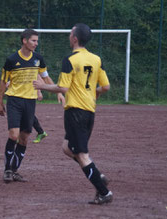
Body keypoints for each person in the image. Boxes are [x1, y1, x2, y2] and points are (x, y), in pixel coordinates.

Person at [33, 23, 113, 205]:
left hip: (76, 111)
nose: (69, 36)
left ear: (75, 38)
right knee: (67, 148)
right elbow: (106, 86)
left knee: (82, 154)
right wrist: (95, 92)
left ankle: (103, 192)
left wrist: (42, 86)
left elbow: (62, 87)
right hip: (89, 110)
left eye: (70, 33)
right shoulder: (96, 59)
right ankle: (97, 175)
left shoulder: (70, 59)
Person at [0, 29, 57, 183]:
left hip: (30, 102)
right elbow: (4, 81)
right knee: (14, 135)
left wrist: (58, 92)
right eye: (34, 41)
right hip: (14, 100)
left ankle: (15, 171)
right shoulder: (12, 59)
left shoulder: (38, 59)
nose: (36, 44)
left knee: (24, 139)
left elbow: (45, 76)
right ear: (25, 40)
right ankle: (8, 170)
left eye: (37, 41)